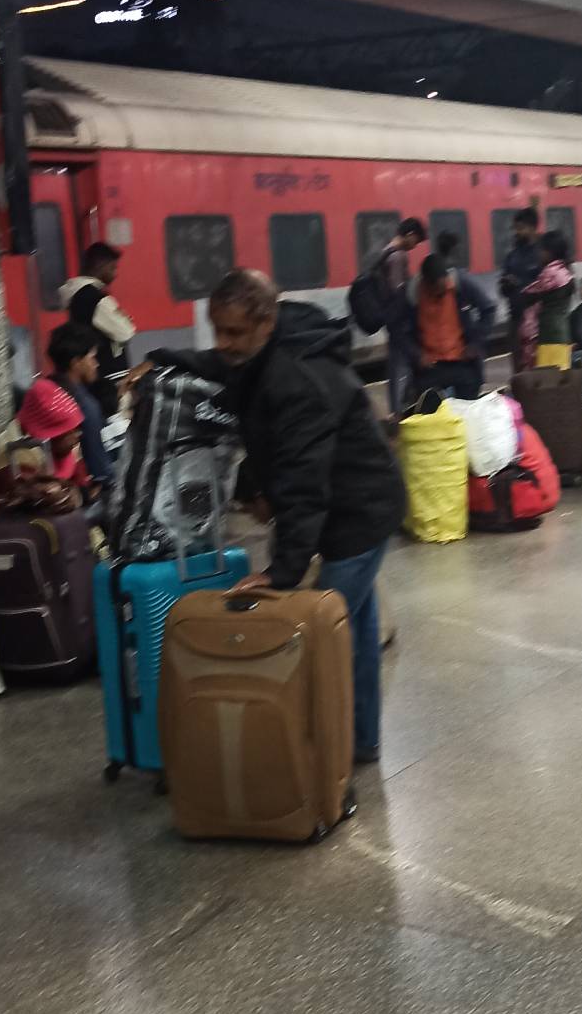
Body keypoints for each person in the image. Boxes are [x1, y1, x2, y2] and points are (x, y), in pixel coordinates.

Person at [138, 270, 404, 767]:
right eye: (217, 329)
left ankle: (317, 754)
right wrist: (163, 357)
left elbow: (306, 485)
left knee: (321, 635)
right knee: (354, 627)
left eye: (234, 332)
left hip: (359, 510)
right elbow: (221, 363)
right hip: (351, 503)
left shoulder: (297, 379)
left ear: (266, 322)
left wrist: (281, 572)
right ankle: (358, 741)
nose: (223, 342)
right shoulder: (260, 351)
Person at [20, 323, 112, 490]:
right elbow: (99, 468)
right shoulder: (84, 405)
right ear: (76, 362)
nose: (96, 363)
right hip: (72, 487)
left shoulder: (44, 389)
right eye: (92, 357)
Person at [351, 218, 426, 415]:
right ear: (410, 235)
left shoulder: (385, 251)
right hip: (399, 322)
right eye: (416, 241)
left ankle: (397, 412)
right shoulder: (398, 256)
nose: (415, 246)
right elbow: (397, 292)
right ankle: (400, 413)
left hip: (391, 320)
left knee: (396, 367)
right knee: (402, 367)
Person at [57, 242, 137, 417]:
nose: (115, 274)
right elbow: (126, 331)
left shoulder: (77, 296)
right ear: (100, 266)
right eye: (113, 268)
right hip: (110, 380)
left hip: (94, 377)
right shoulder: (95, 297)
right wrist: (124, 320)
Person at [413, 232, 492, 400]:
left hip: (462, 362)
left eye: (445, 286)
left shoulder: (461, 283)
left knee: (467, 406)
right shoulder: (413, 294)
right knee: (429, 407)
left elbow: (488, 308)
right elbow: (399, 330)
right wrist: (416, 354)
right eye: (438, 290)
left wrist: (476, 344)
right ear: (426, 285)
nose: (443, 291)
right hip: (431, 366)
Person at [498, 207, 546, 373]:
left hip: (537, 321)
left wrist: (521, 284)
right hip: (516, 319)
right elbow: (503, 287)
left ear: (532, 228)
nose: (517, 232)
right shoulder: (512, 256)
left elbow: (545, 284)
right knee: (519, 369)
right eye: (516, 228)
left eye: (521, 228)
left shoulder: (542, 254)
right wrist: (506, 284)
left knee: (537, 366)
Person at [520, 229, 575, 366]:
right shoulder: (565, 271)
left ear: (550, 252)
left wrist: (520, 289)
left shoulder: (550, 273)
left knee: (548, 375)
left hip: (549, 336)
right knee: (560, 374)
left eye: (541, 250)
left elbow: (530, 293)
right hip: (562, 334)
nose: (538, 254)